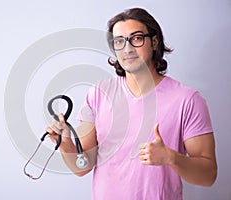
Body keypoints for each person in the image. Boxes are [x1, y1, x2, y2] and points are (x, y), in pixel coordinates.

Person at [46, 7, 217, 200]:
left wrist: (171, 157)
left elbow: (208, 176)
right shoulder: (98, 94)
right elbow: (82, 166)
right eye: (119, 41)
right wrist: (66, 143)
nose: (127, 48)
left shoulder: (187, 100)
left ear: (154, 42)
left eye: (136, 38)